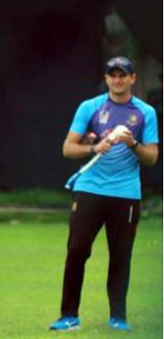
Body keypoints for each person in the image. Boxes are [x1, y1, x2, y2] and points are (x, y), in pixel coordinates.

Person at [49, 56, 159, 331]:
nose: (117, 80)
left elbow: (152, 158)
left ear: (132, 78)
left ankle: (118, 317)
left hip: (125, 193)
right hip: (90, 189)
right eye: (113, 75)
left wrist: (132, 143)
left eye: (123, 75)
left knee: (121, 254)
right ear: (107, 78)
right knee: (76, 250)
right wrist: (93, 148)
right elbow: (68, 148)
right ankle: (68, 315)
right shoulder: (90, 107)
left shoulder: (145, 113)